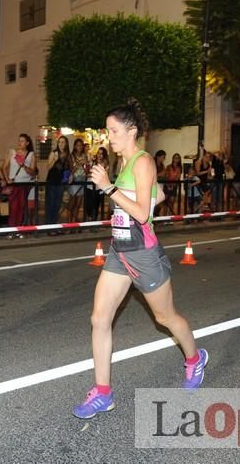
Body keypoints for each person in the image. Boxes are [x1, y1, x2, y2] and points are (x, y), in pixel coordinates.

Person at [73, 97, 208, 420]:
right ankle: (103, 393)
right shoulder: (126, 164)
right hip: (120, 251)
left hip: (145, 255)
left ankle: (194, 358)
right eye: (108, 131)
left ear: (131, 131)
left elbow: (142, 214)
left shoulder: (143, 161)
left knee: (165, 318)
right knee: (99, 318)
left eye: (114, 131)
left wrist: (108, 188)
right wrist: (125, 190)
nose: (110, 137)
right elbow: (156, 196)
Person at [45, 136, 70, 226]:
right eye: (59, 142)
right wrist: (54, 160)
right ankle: (49, 226)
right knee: (51, 205)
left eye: (63, 142)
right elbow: (48, 167)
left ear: (66, 143)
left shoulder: (67, 154)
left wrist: (68, 178)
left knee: (57, 205)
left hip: (61, 183)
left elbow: (67, 169)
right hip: (52, 182)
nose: (61, 144)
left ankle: (54, 225)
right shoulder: (54, 153)